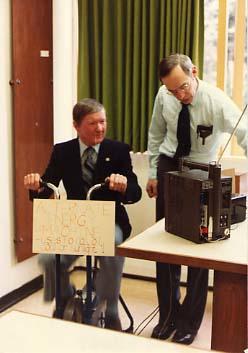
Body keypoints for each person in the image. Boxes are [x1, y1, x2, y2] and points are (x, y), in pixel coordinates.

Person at [146, 54, 247, 345]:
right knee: (164, 246)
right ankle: (167, 316)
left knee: (199, 247)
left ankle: (190, 323)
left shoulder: (216, 101)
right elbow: (156, 134)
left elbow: (244, 132)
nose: (180, 95)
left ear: (195, 72)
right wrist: (153, 171)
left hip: (201, 170)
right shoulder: (164, 96)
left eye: (183, 87)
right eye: (172, 90)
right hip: (168, 166)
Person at [24, 98, 142, 331]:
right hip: (77, 223)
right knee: (48, 259)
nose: (99, 128)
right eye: (92, 123)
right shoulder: (63, 151)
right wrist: (37, 185)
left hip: (111, 222)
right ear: (76, 125)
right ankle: (66, 299)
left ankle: (111, 312)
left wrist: (124, 185)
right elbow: (48, 186)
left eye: (102, 122)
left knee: (112, 248)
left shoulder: (118, 150)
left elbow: (135, 192)